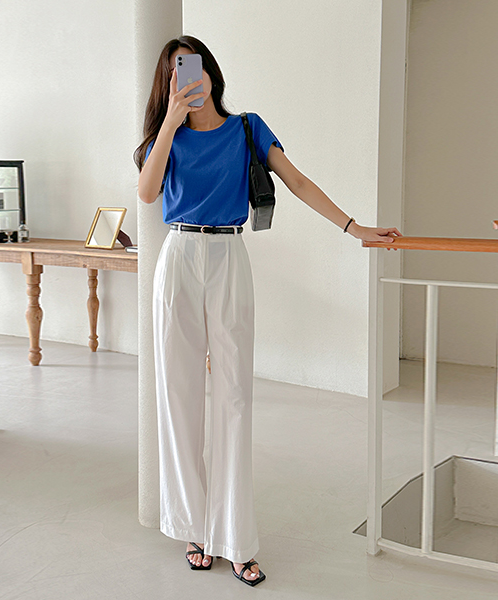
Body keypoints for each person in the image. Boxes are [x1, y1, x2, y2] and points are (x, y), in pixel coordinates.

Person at [134, 35, 401, 587]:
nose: (190, 78)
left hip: (228, 255)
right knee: (178, 396)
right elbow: (147, 193)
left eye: (195, 67)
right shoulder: (166, 138)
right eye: (177, 72)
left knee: (233, 397)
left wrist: (355, 229)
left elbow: (296, 180)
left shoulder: (247, 128)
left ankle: (235, 538)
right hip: (178, 256)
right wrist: (169, 123)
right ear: (168, 82)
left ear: (211, 73)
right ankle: (194, 529)